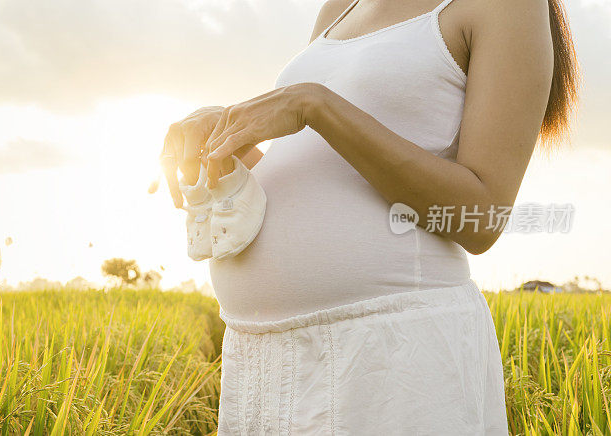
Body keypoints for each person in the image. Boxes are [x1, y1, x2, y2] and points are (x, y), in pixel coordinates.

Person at [160, 0, 578, 432]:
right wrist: (230, 136)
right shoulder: (340, 8)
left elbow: (482, 217)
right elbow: (321, 167)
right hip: (266, 359)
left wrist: (315, 104)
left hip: (392, 355)